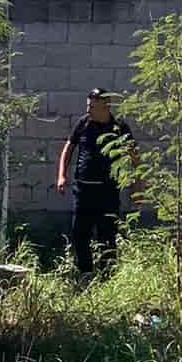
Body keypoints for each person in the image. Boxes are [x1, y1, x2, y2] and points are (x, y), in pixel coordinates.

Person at [56, 88, 136, 278]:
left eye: (92, 106)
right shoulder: (83, 123)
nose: (89, 110)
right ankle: (85, 275)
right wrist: (61, 176)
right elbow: (68, 148)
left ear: (106, 106)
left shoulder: (119, 127)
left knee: (107, 237)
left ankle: (107, 278)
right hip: (83, 191)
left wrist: (137, 186)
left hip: (108, 192)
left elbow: (135, 157)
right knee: (79, 235)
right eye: (88, 106)